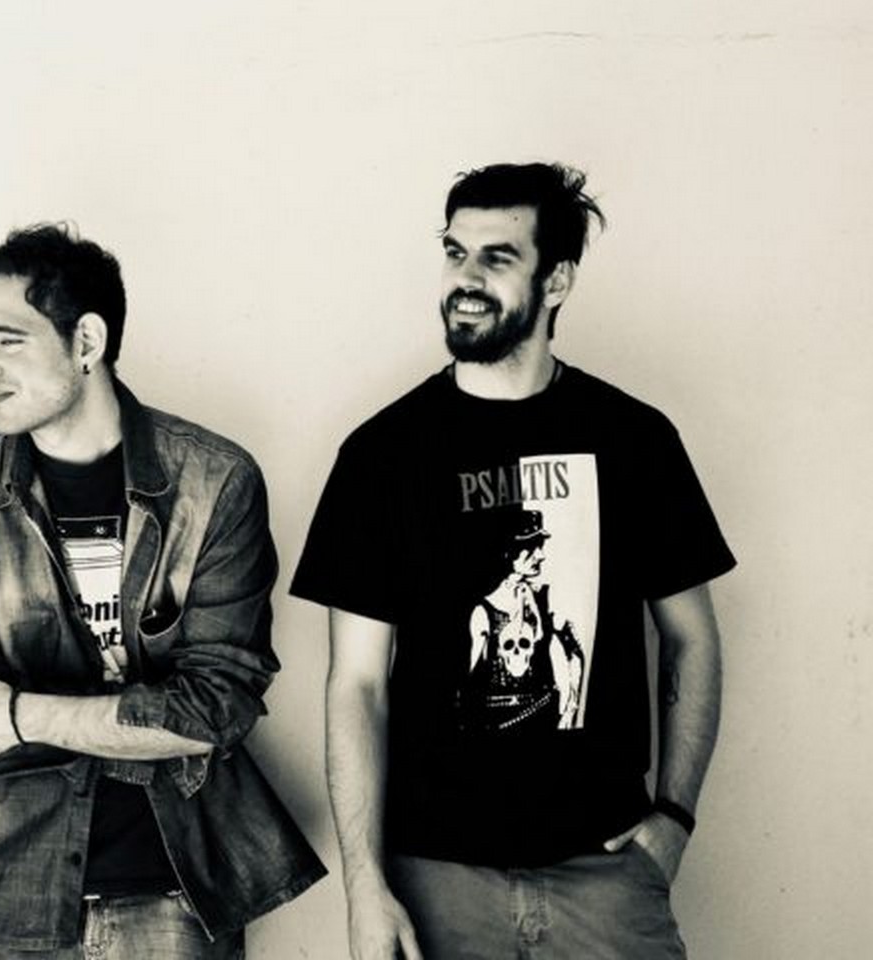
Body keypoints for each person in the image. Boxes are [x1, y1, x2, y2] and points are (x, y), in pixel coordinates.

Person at [291, 162, 734, 959]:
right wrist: (365, 885)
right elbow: (356, 684)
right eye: (455, 252)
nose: (465, 279)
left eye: (497, 258)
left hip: (606, 871)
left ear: (556, 280)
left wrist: (673, 817)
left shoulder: (634, 441)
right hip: (435, 876)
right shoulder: (382, 457)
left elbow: (692, 638)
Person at [0, 224, 323, 960]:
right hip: (11, 896)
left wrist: (21, 713)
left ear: (87, 341)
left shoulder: (214, 482)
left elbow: (218, 708)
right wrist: (149, 722)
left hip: (176, 892)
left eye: (8, 341)